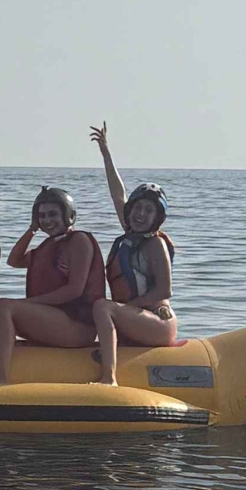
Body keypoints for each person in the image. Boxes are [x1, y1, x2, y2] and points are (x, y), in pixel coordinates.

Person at [89, 122, 178, 385]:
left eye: (148, 211)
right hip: (137, 319)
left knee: (102, 307)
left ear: (157, 217)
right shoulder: (130, 234)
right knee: (98, 309)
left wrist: (124, 309)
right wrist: (106, 154)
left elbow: (164, 291)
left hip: (158, 323)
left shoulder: (155, 244)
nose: (140, 214)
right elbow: (118, 194)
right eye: (137, 208)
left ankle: (109, 378)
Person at [0, 187, 105, 383]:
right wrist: (32, 229)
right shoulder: (48, 246)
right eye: (41, 215)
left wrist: (32, 303)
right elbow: (14, 260)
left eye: (53, 214)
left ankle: (1, 376)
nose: (47, 220)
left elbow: (75, 290)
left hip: (77, 327)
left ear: (68, 215)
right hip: (56, 321)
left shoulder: (79, 241)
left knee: (3, 306)